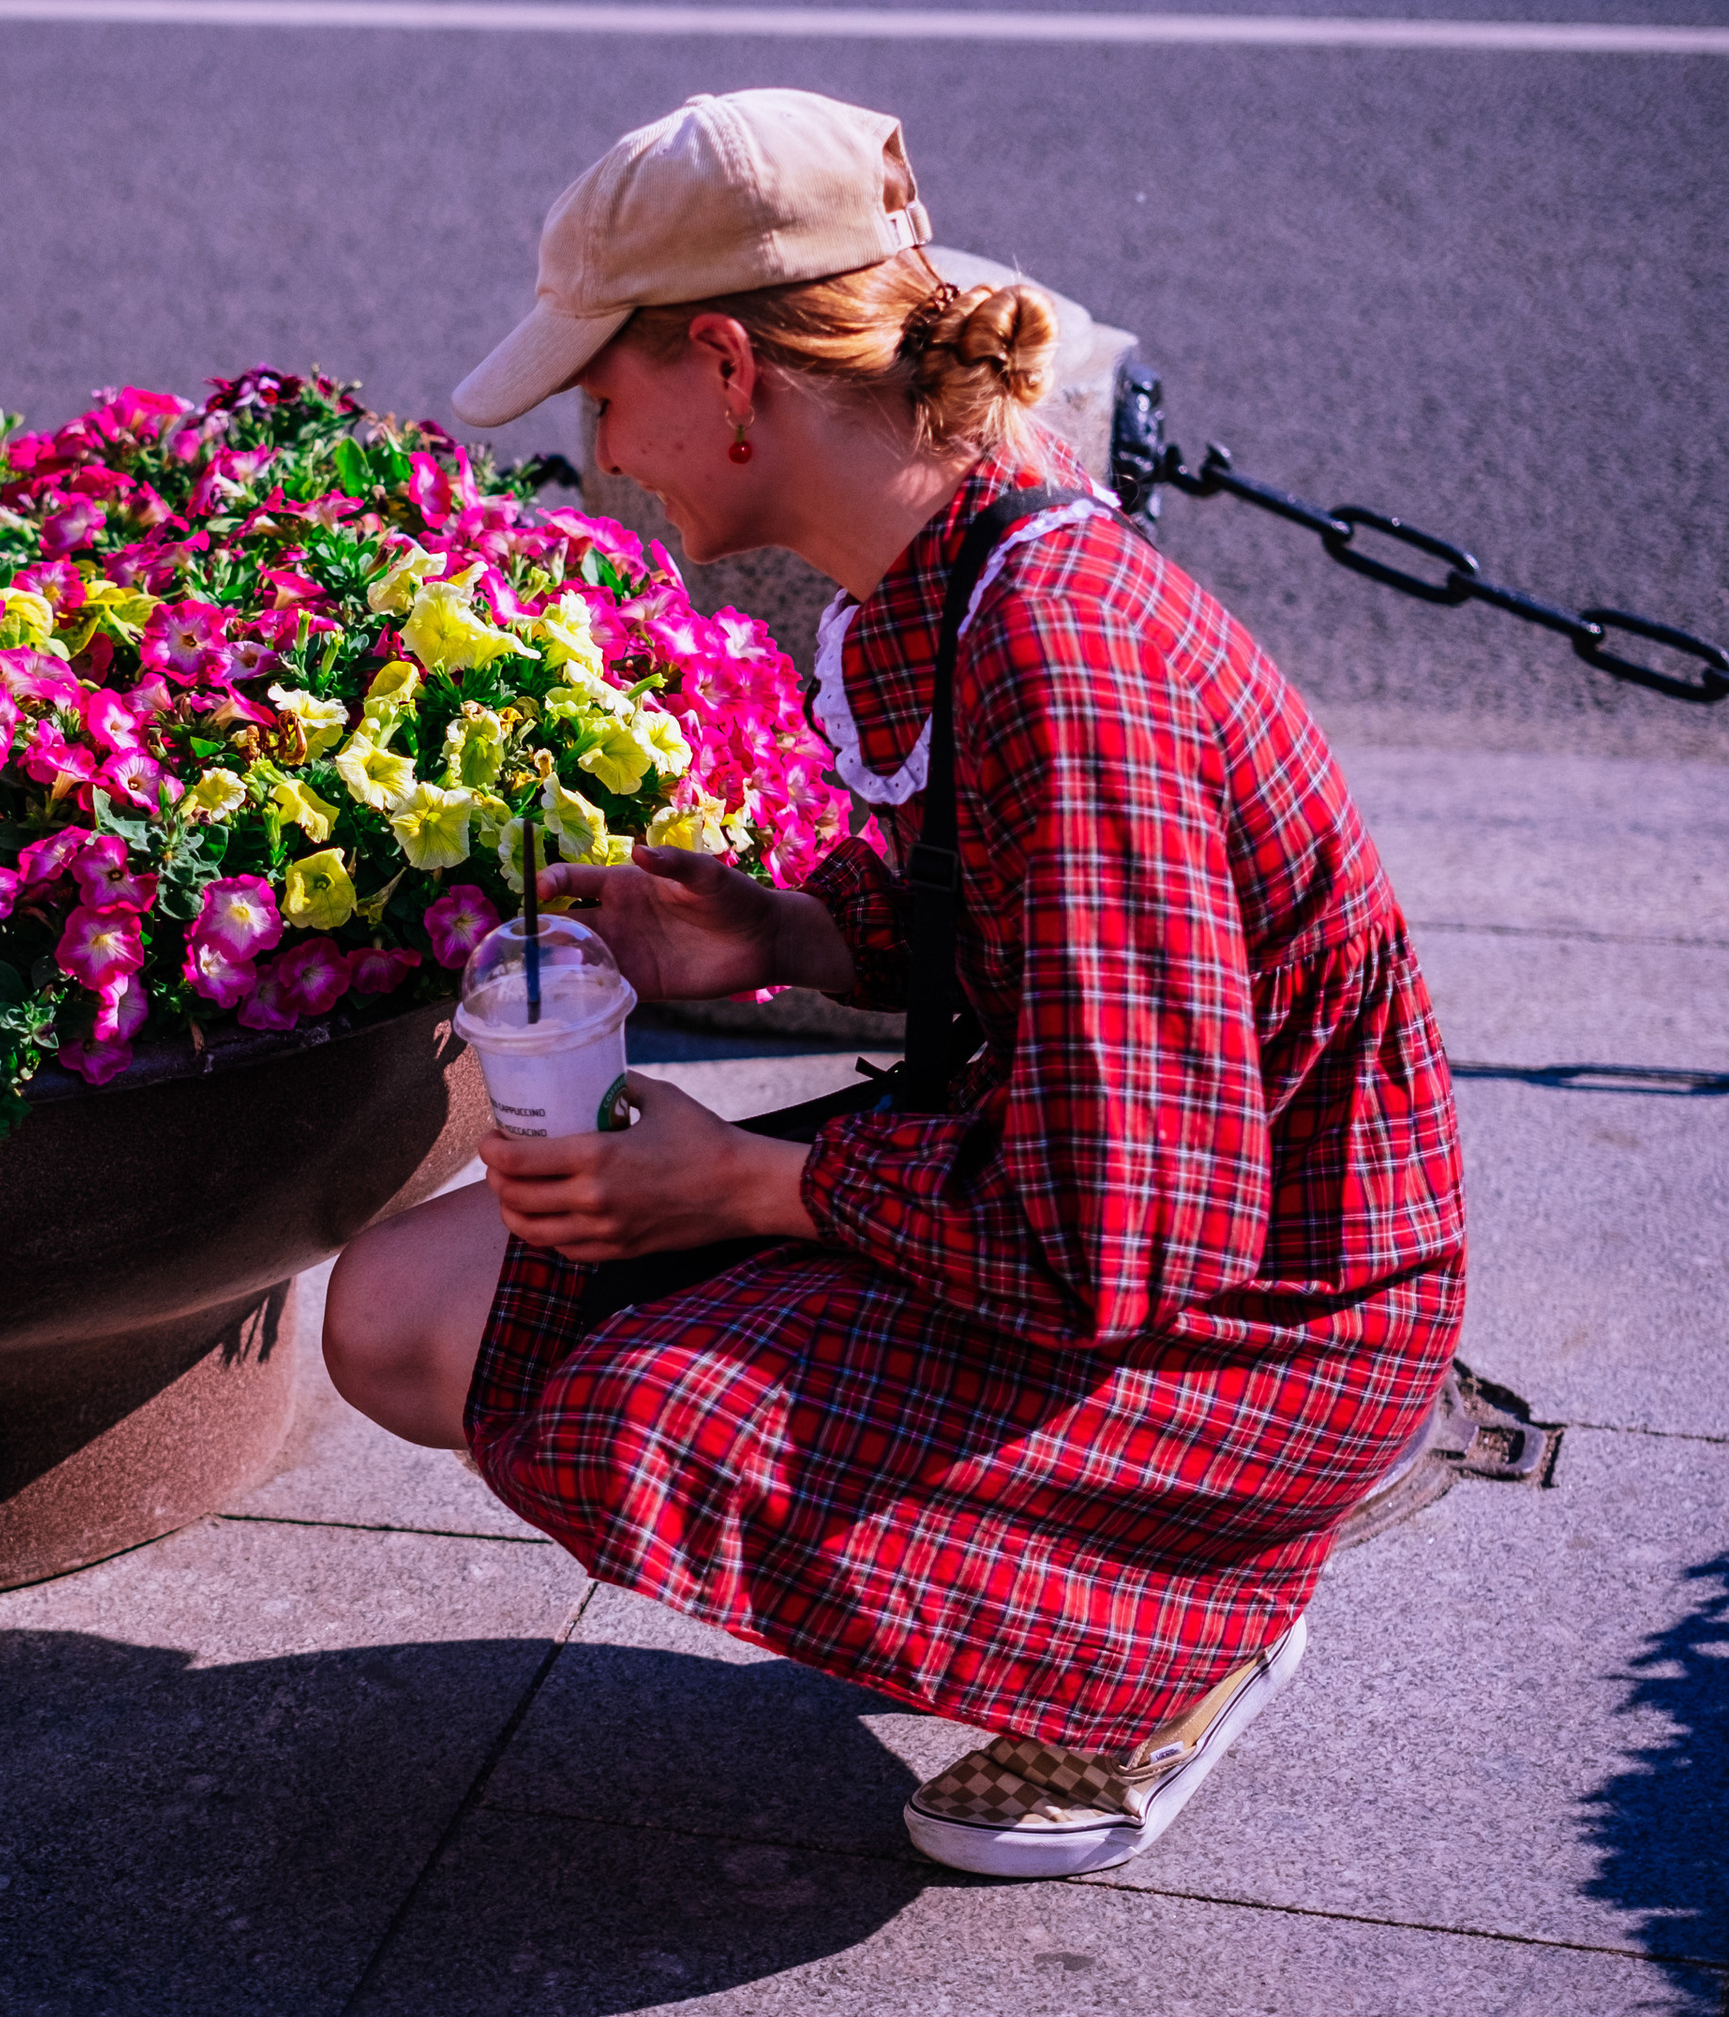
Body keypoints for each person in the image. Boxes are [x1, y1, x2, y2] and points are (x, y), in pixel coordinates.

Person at [323, 91, 1467, 1880]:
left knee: (632, 1411)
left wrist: (750, 1183)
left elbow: (1114, 1236)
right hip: (1145, 1221)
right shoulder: (988, 555)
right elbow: (1026, 936)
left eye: (602, 393)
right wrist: (786, 940)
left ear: (725, 365)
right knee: (401, 1306)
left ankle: (1175, 1628)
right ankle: (1111, 1570)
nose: (606, 449)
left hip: (1263, 1320)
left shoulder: (1062, 659)